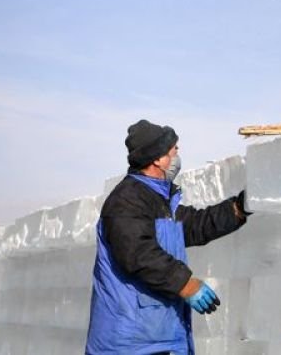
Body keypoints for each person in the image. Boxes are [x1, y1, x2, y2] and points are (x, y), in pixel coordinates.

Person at [85, 119, 251, 354]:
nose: (177, 156)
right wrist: (186, 284)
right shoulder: (126, 201)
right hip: (128, 342)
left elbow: (196, 225)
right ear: (157, 158)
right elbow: (138, 253)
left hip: (153, 336)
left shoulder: (160, 201)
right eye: (174, 151)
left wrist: (239, 208)